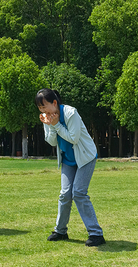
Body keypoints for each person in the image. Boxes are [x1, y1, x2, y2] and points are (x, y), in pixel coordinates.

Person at [35, 88, 105, 247]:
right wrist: (51, 126)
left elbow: (73, 138)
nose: (42, 110)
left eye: (44, 106)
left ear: (54, 103)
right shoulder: (48, 118)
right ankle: (60, 231)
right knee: (65, 194)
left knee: (79, 193)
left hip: (85, 156)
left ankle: (96, 234)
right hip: (68, 159)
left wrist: (56, 125)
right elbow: (52, 142)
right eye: (39, 108)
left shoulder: (71, 113)